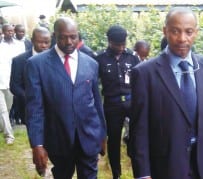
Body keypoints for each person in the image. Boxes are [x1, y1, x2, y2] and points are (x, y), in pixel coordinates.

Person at [129, 7, 203, 179]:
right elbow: (139, 129)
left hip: (202, 162)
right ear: (165, 31)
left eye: (189, 32)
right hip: (165, 165)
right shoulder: (145, 73)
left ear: (196, 33)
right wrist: (143, 173)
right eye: (175, 31)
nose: (182, 38)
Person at [25, 17, 106, 178]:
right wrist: (37, 144)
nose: (69, 41)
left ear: (78, 36)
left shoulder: (91, 63)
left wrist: (103, 134)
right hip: (58, 139)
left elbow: (96, 102)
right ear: (55, 35)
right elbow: (35, 108)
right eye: (63, 37)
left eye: (73, 36)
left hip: (89, 137)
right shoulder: (37, 64)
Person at [95, 25, 140, 179]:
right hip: (112, 105)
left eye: (123, 44)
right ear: (109, 41)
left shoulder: (132, 57)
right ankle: (116, 174)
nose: (121, 47)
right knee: (113, 141)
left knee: (136, 137)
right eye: (117, 44)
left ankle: (139, 170)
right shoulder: (100, 59)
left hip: (131, 103)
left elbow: (140, 81)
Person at [10, 26, 51, 125]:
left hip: (53, 108)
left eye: (47, 42)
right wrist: (31, 98)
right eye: (40, 42)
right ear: (32, 41)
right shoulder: (19, 61)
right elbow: (14, 86)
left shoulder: (57, 59)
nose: (44, 46)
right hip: (31, 109)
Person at [0, 24, 25, 145]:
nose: (10, 33)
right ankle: (9, 135)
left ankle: (2, 126)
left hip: (11, 82)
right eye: (7, 31)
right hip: (0, 80)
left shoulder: (20, 45)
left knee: (8, 108)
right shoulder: (1, 45)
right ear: (3, 32)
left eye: (11, 31)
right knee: (3, 109)